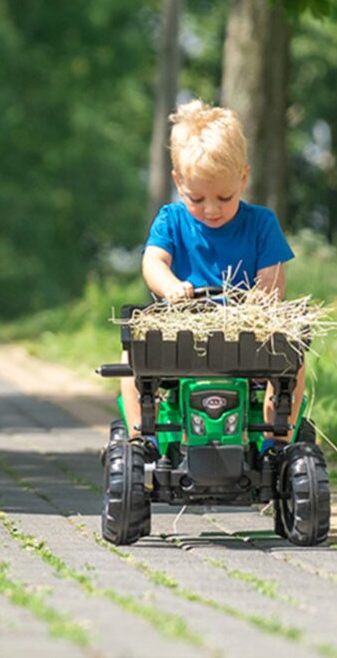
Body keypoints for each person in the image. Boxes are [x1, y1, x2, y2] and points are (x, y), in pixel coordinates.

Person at [122, 99, 299, 448]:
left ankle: (278, 435)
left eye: (224, 196)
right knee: (131, 358)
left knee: (292, 356)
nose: (211, 209)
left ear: (244, 178)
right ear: (178, 182)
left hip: (246, 337)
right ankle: (140, 439)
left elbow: (272, 279)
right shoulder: (171, 219)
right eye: (197, 198)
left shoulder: (261, 223)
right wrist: (172, 287)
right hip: (183, 332)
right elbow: (153, 262)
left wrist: (257, 303)